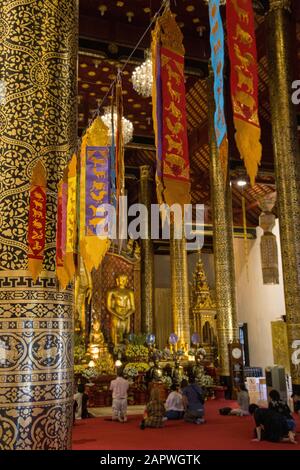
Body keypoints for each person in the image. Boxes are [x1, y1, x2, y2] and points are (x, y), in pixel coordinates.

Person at [106, 274, 135, 346]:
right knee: (115, 331)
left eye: (125, 280)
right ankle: (115, 346)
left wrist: (126, 315)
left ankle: (125, 346)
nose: (123, 281)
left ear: (127, 280)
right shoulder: (111, 292)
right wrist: (118, 315)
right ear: (117, 280)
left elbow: (133, 308)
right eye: (121, 279)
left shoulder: (130, 292)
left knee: (126, 332)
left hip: (126, 314)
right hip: (116, 313)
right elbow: (109, 307)